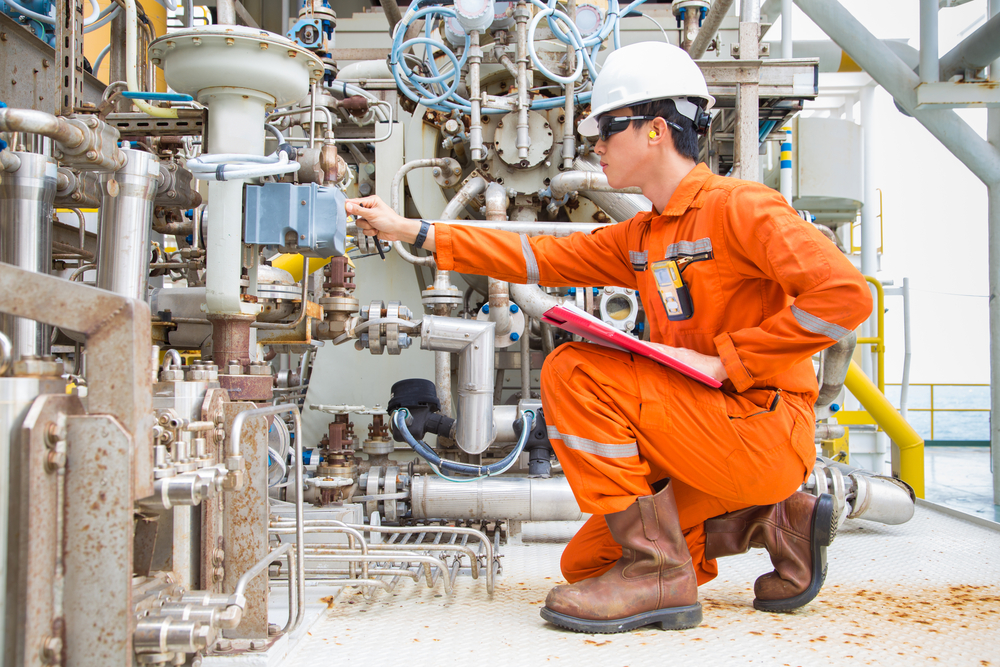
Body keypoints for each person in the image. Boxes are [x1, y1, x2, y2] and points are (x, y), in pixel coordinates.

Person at [345, 41, 873, 634]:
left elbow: (846, 297)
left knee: (574, 372)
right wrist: (413, 230)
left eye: (606, 129)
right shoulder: (642, 237)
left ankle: (661, 572)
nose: (595, 145)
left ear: (654, 130)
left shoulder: (741, 208)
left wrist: (732, 361)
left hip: (762, 427)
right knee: (586, 562)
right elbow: (535, 252)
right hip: (708, 434)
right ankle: (775, 517)